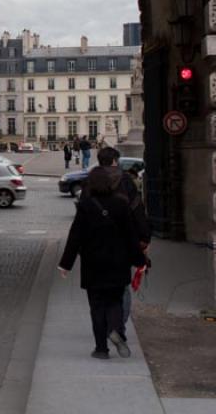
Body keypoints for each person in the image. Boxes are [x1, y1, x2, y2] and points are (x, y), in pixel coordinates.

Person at [58, 166, 146, 359]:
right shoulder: (121, 204)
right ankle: (115, 329)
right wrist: (140, 260)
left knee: (96, 305)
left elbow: (75, 237)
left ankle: (101, 349)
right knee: (114, 300)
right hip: (118, 261)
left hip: (93, 263)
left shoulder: (86, 206)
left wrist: (66, 264)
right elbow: (131, 236)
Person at [85, 146, 151, 338]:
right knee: (121, 285)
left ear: (99, 160)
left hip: (95, 242)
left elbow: (83, 212)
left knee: (98, 285)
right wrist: (144, 238)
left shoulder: (91, 180)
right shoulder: (126, 181)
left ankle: (102, 324)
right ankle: (117, 325)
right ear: (115, 161)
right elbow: (137, 209)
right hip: (122, 240)